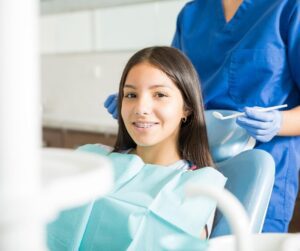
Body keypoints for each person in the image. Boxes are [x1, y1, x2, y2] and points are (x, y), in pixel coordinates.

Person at [104, 0, 300, 233]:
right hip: (187, 159)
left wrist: (280, 123)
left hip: (264, 159)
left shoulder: (288, 7)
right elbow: (172, 81)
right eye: (130, 94)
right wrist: (139, 102)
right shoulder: (192, 14)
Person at [47, 46, 226, 251]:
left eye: (159, 94)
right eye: (131, 95)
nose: (141, 108)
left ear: (186, 108)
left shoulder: (196, 188)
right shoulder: (92, 159)